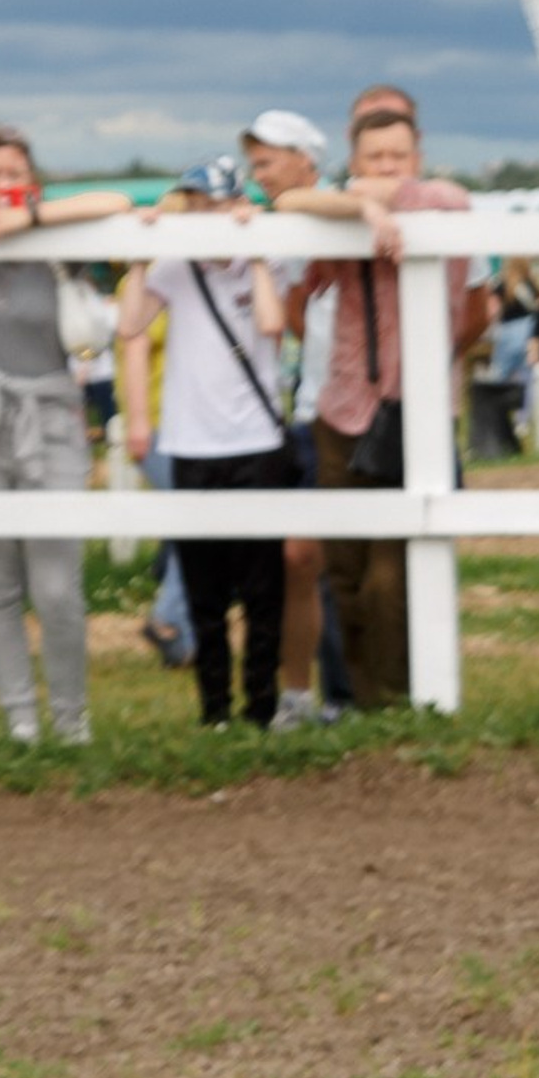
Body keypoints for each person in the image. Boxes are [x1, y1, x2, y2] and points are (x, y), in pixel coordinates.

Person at [0, 130, 131, 743]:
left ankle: (71, 722)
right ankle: (21, 725)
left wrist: (29, 217)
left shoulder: (61, 239)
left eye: (16, 169)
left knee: (58, 586)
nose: (5, 180)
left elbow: (117, 203)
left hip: (53, 417)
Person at [278, 104, 485, 709]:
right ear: (354, 157)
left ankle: (403, 696)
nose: (388, 167)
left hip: (418, 413)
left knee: (392, 576)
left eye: (398, 155)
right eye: (374, 158)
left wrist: (373, 194)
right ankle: (365, 701)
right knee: (344, 570)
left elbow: (446, 206)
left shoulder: (444, 201)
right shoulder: (342, 216)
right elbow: (292, 218)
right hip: (344, 407)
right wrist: (360, 207)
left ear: (417, 154)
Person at [114, 159, 291, 727]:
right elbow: (130, 325)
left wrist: (256, 250)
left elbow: (270, 324)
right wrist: (143, 254)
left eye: (211, 203)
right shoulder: (175, 266)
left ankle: (260, 707)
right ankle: (214, 710)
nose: (202, 214)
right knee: (203, 592)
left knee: (264, 591)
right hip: (192, 443)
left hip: (256, 441)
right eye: (192, 204)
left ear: (235, 201)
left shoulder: (267, 260)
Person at [239, 110, 348, 728]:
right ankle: (303, 695)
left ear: (306, 160)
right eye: (256, 163)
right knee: (302, 559)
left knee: (321, 559)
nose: (262, 173)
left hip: (337, 412)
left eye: (270, 160)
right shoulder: (282, 223)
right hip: (309, 410)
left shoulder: (311, 212)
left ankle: (334, 693)